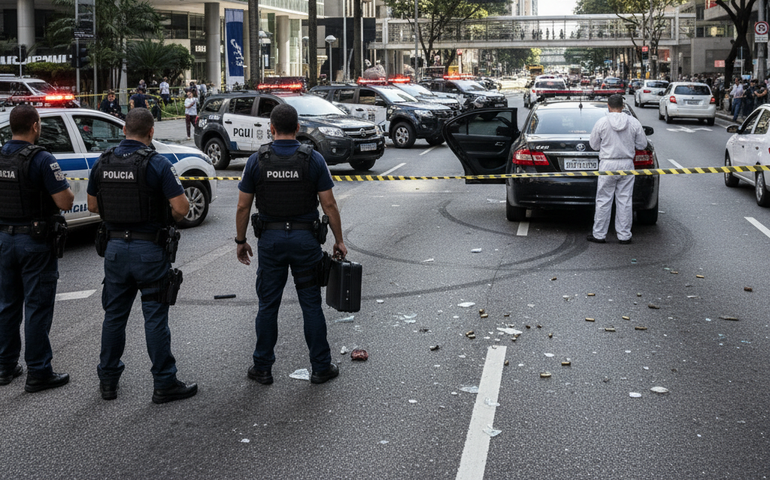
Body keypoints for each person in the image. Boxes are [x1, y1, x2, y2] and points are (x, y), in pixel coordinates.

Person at [86, 108, 196, 404]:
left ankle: (108, 382)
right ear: (151, 133)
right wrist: (165, 217)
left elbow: (93, 206)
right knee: (155, 318)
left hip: (115, 251)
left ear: (123, 130)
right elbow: (182, 208)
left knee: (114, 318)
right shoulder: (157, 163)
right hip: (149, 250)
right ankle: (164, 383)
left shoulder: (103, 162)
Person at [235, 103, 346, 386]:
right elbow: (329, 204)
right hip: (304, 240)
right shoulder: (313, 159)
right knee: (311, 304)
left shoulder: (256, 160)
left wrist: (241, 241)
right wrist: (339, 241)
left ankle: (262, 368)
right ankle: (321, 367)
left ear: (271, 128)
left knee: (268, 306)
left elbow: (242, 207)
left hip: (270, 241)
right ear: (298, 128)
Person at [0, 105, 74, 391]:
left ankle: (5, 366)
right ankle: (39, 371)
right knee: (37, 307)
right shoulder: (41, 159)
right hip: (34, 240)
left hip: (4, 239)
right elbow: (66, 202)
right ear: (34, 126)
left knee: (7, 305)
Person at [587, 95, 647, 244]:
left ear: (608, 106)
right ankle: (624, 235)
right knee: (625, 200)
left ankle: (599, 234)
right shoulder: (633, 123)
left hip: (607, 164)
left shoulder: (601, 122)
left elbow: (593, 145)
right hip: (627, 165)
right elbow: (642, 144)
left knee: (603, 200)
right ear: (623, 106)